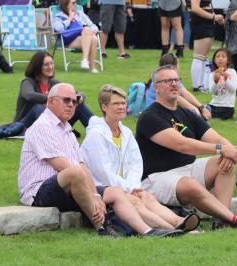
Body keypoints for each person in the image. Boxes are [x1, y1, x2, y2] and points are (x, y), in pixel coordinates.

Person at [18, 83, 158, 237]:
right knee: (75, 172)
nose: (71, 105)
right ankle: (102, 227)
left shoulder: (67, 131)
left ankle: (150, 231)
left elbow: (83, 167)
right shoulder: (42, 126)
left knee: (116, 192)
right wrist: (93, 197)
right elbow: (63, 167)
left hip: (67, 187)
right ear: (50, 101)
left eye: (75, 101)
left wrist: (97, 195)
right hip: (38, 193)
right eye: (66, 100)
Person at [135, 64, 237, 230]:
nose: (174, 84)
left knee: (223, 162)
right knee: (192, 184)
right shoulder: (150, 116)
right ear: (156, 87)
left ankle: (222, 221)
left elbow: (216, 137)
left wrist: (230, 150)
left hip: (188, 169)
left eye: (176, 80)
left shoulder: (186, 113)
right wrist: (222, 149)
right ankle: (234, 220)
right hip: (157, 177)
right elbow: (182, 145)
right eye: (168, 81)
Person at [80, 85, 200, 235]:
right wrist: (128, 188)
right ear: (104, 107)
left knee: (146, 196)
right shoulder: (96, 135)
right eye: (116, 104)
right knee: (136, 201)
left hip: (125, 186)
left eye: (123, 103)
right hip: (103, 188)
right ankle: (173, 230)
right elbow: (103, 172)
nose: (121, 107)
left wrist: (134, 186)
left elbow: (136, 163)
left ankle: (179, 222)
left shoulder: (126, 132)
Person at [14, 50, 94, 129]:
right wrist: (55, 98)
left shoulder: (54, 83)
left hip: (52, 122)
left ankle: (98, 129)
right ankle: (56, 133)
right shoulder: (27, 82)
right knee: (38, 107)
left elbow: (79, 94)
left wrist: (78, 97)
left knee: (80, 107)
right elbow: (29, 95)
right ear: (37, 67)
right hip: (26, 124)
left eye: (52, 63)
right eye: (46, 65)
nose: (50, 67)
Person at [188, 0, 222, 92]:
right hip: (201, 23)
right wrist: (213, 16)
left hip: (206, 23)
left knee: (204, 57)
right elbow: (195, 8)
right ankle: (198, 86)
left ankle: (204, 84)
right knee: (199, 56)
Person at [52, 0, 100, 73]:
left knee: (93, 38)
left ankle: (90, 66)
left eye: (76, 3)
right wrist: (70, 19)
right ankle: (86, 61)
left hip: (83, 38)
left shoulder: (80, 14)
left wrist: (93, 31)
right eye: (73, 3)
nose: (76, 5)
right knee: (87, 30)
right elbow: (58, 28)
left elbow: (93, 26)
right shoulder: (58, 16)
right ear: (66, 5)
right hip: (68, 40)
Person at [207, 48, 237, 119]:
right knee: (200, 109)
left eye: (223, 57)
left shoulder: (232, 72)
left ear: (228, 60)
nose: (220, 59)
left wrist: (226, 79)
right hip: (213, 105)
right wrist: (215, 81)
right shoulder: (212, 74)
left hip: (227, 107)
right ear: (214, 60)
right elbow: (212, 92)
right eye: (217, 57)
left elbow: (233, 90)